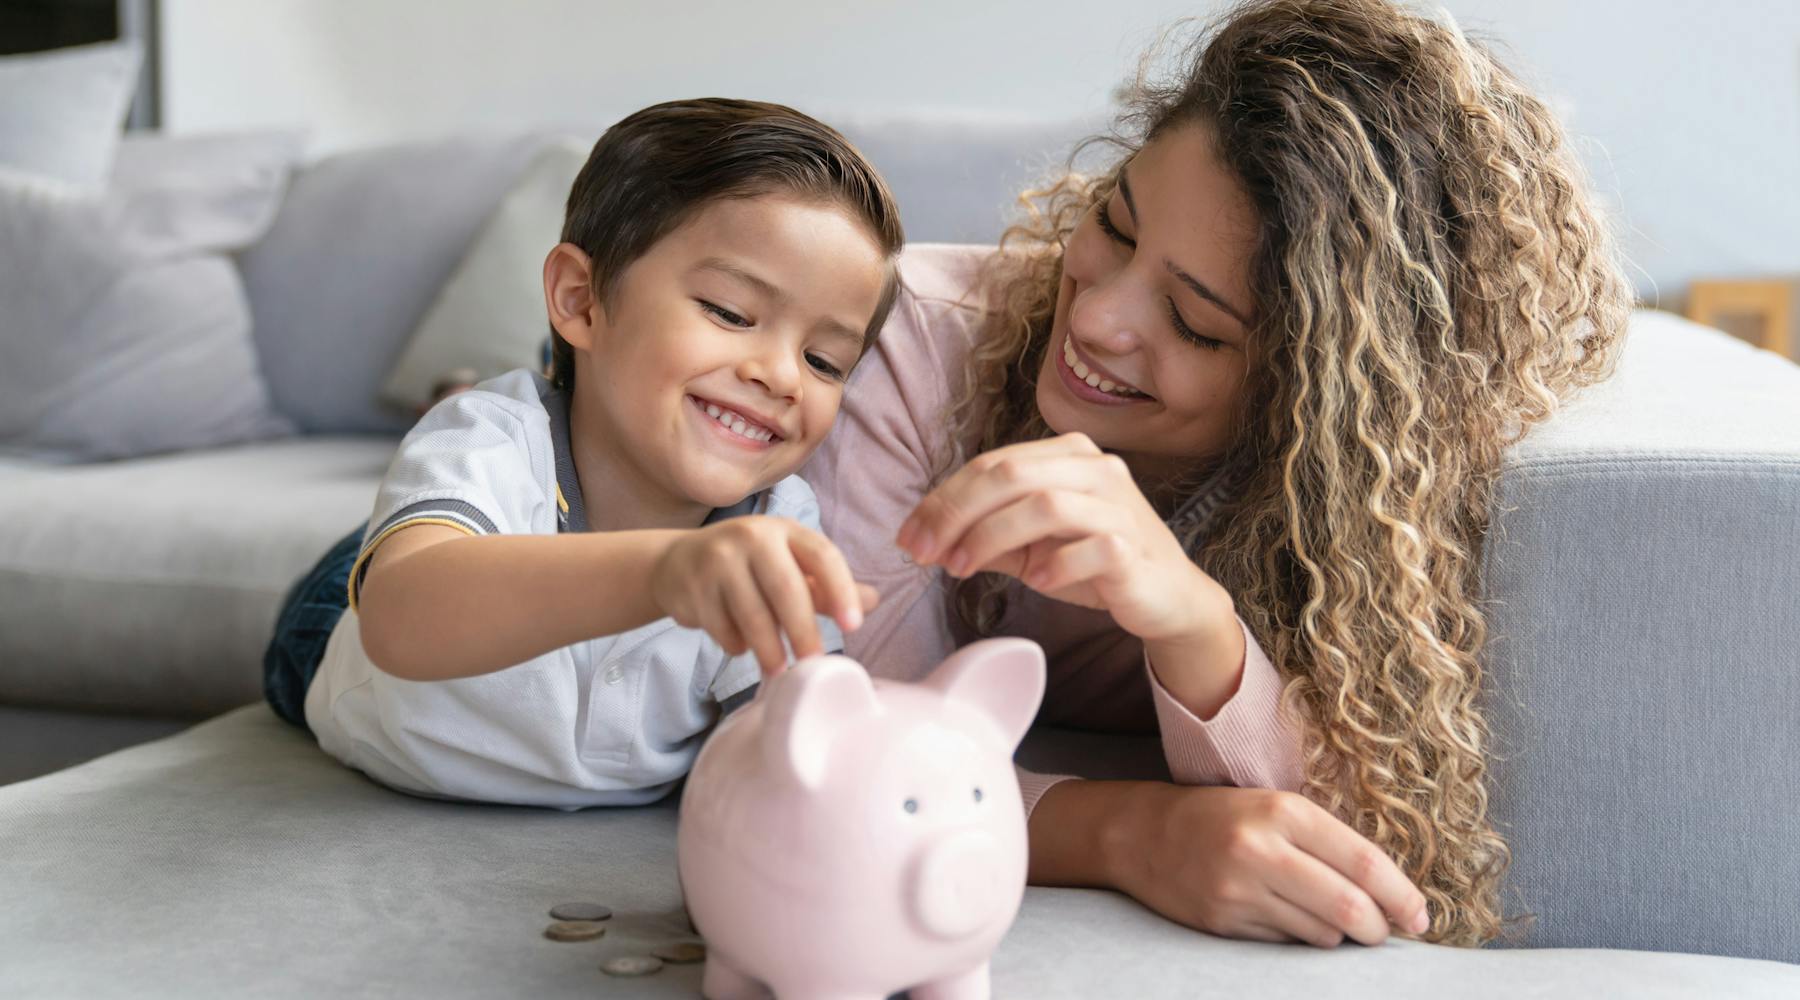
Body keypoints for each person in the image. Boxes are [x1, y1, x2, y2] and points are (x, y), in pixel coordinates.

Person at [799, 0, 1630, 949]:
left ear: (1311, 387)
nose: (1101, 319)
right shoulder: (906, 351)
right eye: (1115, 226)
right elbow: (848, 754)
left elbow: (1376, 832)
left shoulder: (1364, 493)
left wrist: (1192, 619)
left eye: (1195, 324)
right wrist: (1131, 833)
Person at [263, 98, 904, 808]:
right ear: (581, 299)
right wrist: (665, 573)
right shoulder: (495, 439)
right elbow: (398, 618)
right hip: (348, 627)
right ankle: (453, 433)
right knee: (427, 498)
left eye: (824, 361)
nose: (780, 375)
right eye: (728, 313)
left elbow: (791, 751)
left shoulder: (779, 525)